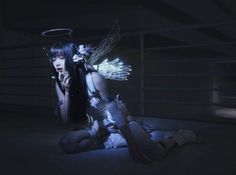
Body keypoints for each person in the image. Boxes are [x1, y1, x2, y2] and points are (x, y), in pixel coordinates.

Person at [48, 40, 196, 163]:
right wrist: (67, 91)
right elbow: (66, 120)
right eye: (54, 58)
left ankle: (177, 137)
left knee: (156, 154)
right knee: (67, 144)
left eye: (61, 57)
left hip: (119, 123)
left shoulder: (93, 77)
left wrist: (133, 148)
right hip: (97, 127)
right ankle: (117, 139)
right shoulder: (59, 83)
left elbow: (115, 111)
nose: (57, 63)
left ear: (71, 57)